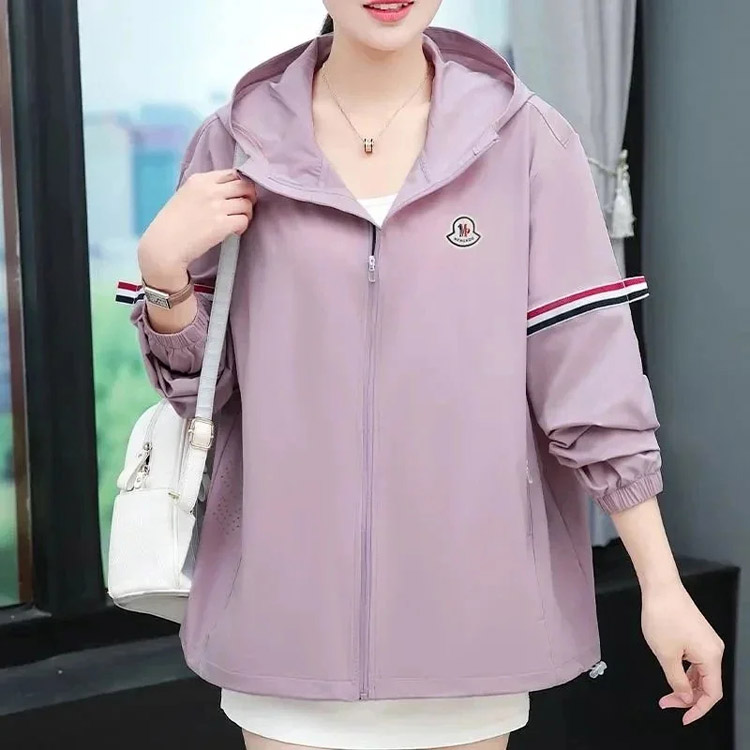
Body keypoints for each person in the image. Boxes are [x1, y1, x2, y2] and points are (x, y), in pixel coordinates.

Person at [132, 1, 725, 748]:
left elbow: (589, 380)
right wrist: (163, 276)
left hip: (469, 622)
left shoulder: (527, 142)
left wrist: (662, 586)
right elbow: (202, 392)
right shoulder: (234, 144)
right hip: (287, 622)